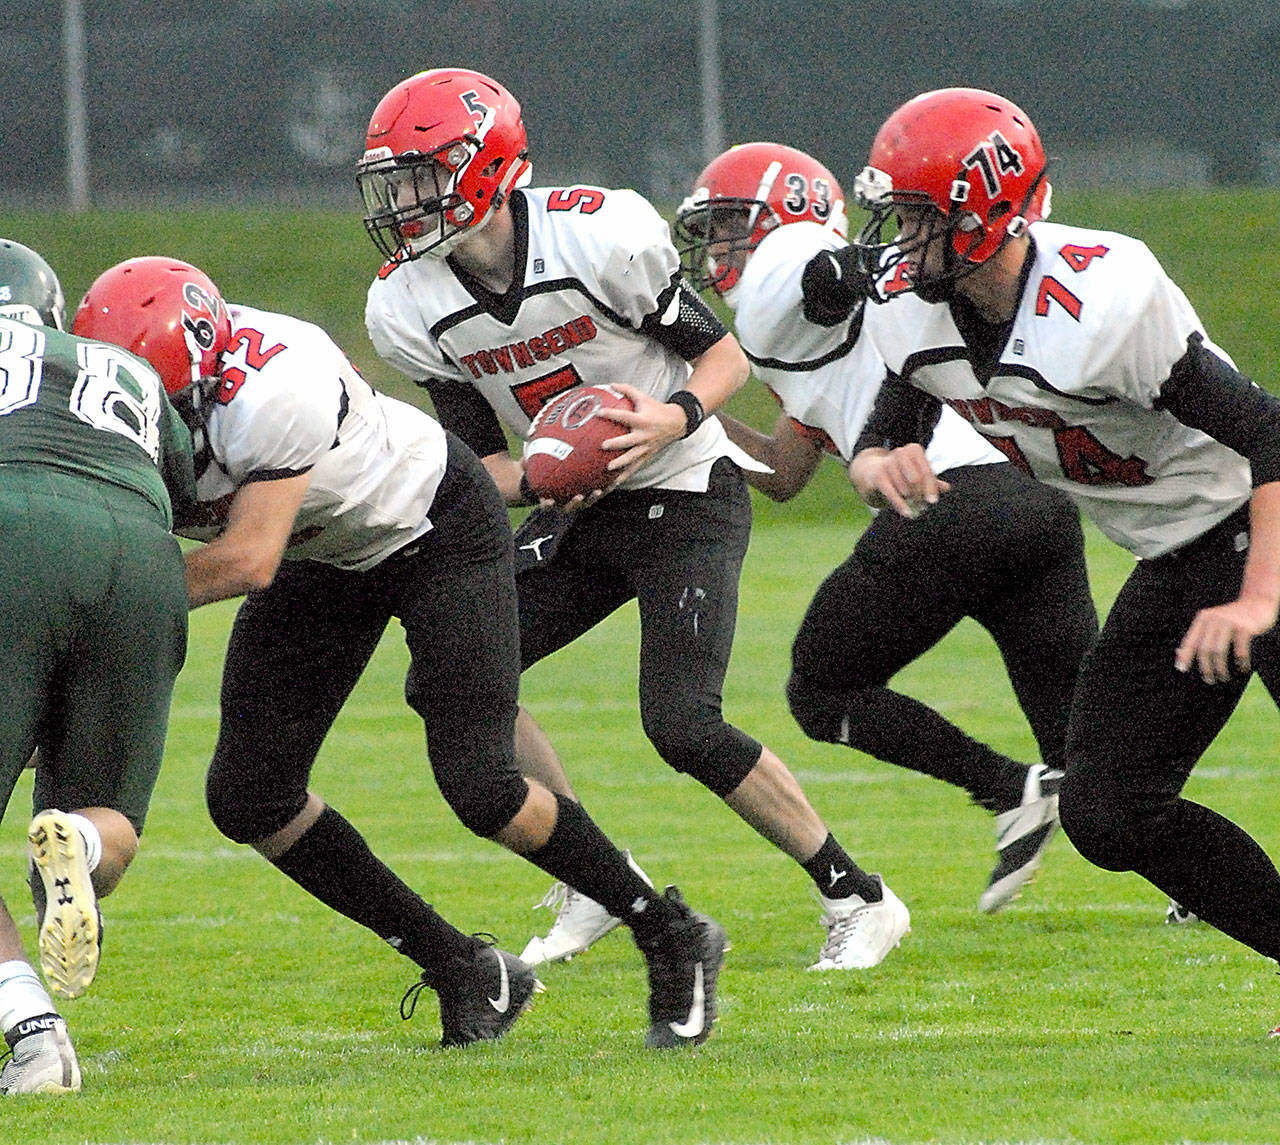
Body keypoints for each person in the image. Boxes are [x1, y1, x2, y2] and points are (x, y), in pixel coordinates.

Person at [73, 256, 726, 1051]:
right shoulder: (121, 395)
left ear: (208, 373)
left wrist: (103, 595)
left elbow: (248, 558)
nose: (148, 424)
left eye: (166, 407)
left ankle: (667, 929)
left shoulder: (277, 386)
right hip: (327, 552)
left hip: (432, 525)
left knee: (483, 785)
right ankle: (465, 968)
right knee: (249, 797)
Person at [359, 68, 909, 973]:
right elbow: (476, 464)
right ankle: (591, 882)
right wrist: (538, 471)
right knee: (451, 678)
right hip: (579, 510)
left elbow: (720, 356)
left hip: (685, 485)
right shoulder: (408, 301)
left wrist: (672, 419)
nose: (405, 200)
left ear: (486, 164)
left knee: (683, 723)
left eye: (422, 173)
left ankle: (858, 893)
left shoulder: (595, 235)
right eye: (398, 179)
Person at [844, 87, 1280, 999]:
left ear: (986, 213)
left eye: (920, 217)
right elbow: (897, 412)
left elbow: (1270, 436)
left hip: (1257, 521)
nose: (899, 239)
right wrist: (877, 461)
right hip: (1179, 554)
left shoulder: (1103, 299)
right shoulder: (914, 306)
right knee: (1107, 812)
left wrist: (1259, 598)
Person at [673, 142, 1099, 912]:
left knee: (820, 687)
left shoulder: (790, 270)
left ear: (784, 215)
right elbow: (783, 472)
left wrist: (832, 271)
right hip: (1031, 501)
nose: (721, 246)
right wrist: (680, 408)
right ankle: (1188, 884)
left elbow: (819, 275)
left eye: (732, 223)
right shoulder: (812, 339)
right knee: (1092, 757)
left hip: (946, 498)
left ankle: (1007, 789)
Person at [0, 241, 194, 1094]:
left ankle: (34, 1035)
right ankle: (75, 838)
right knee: (106, 814)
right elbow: (178, 484)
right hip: (144, 556)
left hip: (11, 529)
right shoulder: (118, 366)